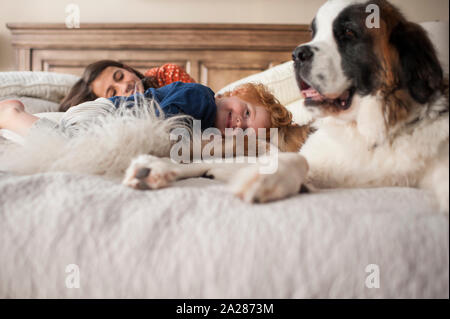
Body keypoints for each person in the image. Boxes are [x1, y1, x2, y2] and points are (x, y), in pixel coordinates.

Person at [59, 60, 196, 112]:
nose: (124, 87)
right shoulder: (119, 116)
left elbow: (201, 100)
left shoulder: (166, 74)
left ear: (128, 69)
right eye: (113, 93)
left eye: (120, 76)